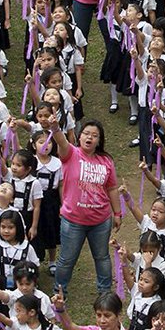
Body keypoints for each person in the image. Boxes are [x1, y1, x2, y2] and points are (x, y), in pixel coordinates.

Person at [43, 115, 120, 295]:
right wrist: (55, 127)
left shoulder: (106, 161)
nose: (89, 137)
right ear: (79, 136)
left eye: (94, 135)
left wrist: (117, 213)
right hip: (73, 220)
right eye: (86, 133)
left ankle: (105, 294)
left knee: (102, 257)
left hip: (101, 221)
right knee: (66, 260)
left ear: (99, 140)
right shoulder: (71, 153)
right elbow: (61, 141)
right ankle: (59, 293)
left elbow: (112, 188)